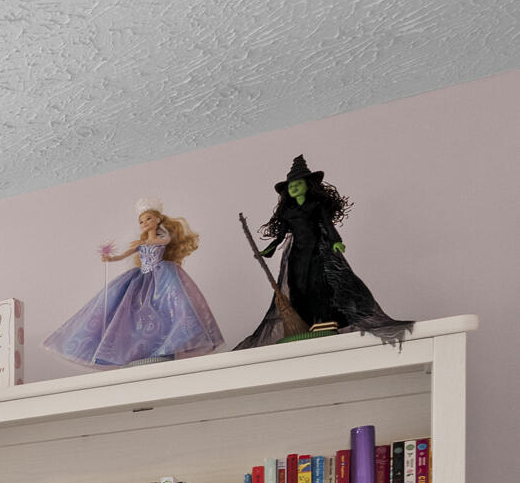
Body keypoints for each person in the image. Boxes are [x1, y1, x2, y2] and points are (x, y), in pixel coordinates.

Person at [236, 154, 409, 348]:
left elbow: (327, 225)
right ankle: (307, 322)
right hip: (298, 254)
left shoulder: (317, 205)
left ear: (308, 185)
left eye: (297, 184)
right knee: (298, 285)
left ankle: (324, 320)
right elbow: (281, 235)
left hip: (318, 250)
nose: (294, 188)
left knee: (320, 284)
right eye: (291, 186)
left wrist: (336, 241)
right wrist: (267, 250)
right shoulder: (288, 212)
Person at [45, 199, 222, 366]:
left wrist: (159, 236)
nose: (145, 223)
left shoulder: (162, 239)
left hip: (161, 276)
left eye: (148, 218)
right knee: (130, 309)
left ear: (158, 219)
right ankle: (138, 348)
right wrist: (110, 258)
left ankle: (163, 345)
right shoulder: (142, 242)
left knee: (168, 307)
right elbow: (124, 254)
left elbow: (166, 240)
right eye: (141, 221)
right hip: (141, 277)